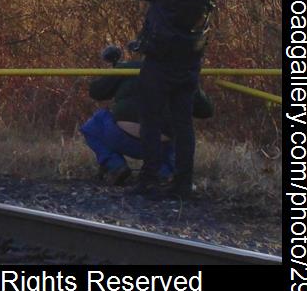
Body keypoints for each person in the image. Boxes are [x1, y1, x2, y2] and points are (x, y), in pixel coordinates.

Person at [126, 0, 220, 199]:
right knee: (183, 123)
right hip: (191, 60)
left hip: (160, 59)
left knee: (151, 119)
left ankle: (148, 179)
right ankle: (182, 183)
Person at [80, 43, 213, 186]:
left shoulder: (129, 69)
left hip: (121, 136)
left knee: (94, 123)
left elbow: (96, 91)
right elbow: (206, 110)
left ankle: (115, 165)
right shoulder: (182, 75)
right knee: (180, 131)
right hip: (161, 145)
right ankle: (164, 173)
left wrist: (116, 72)